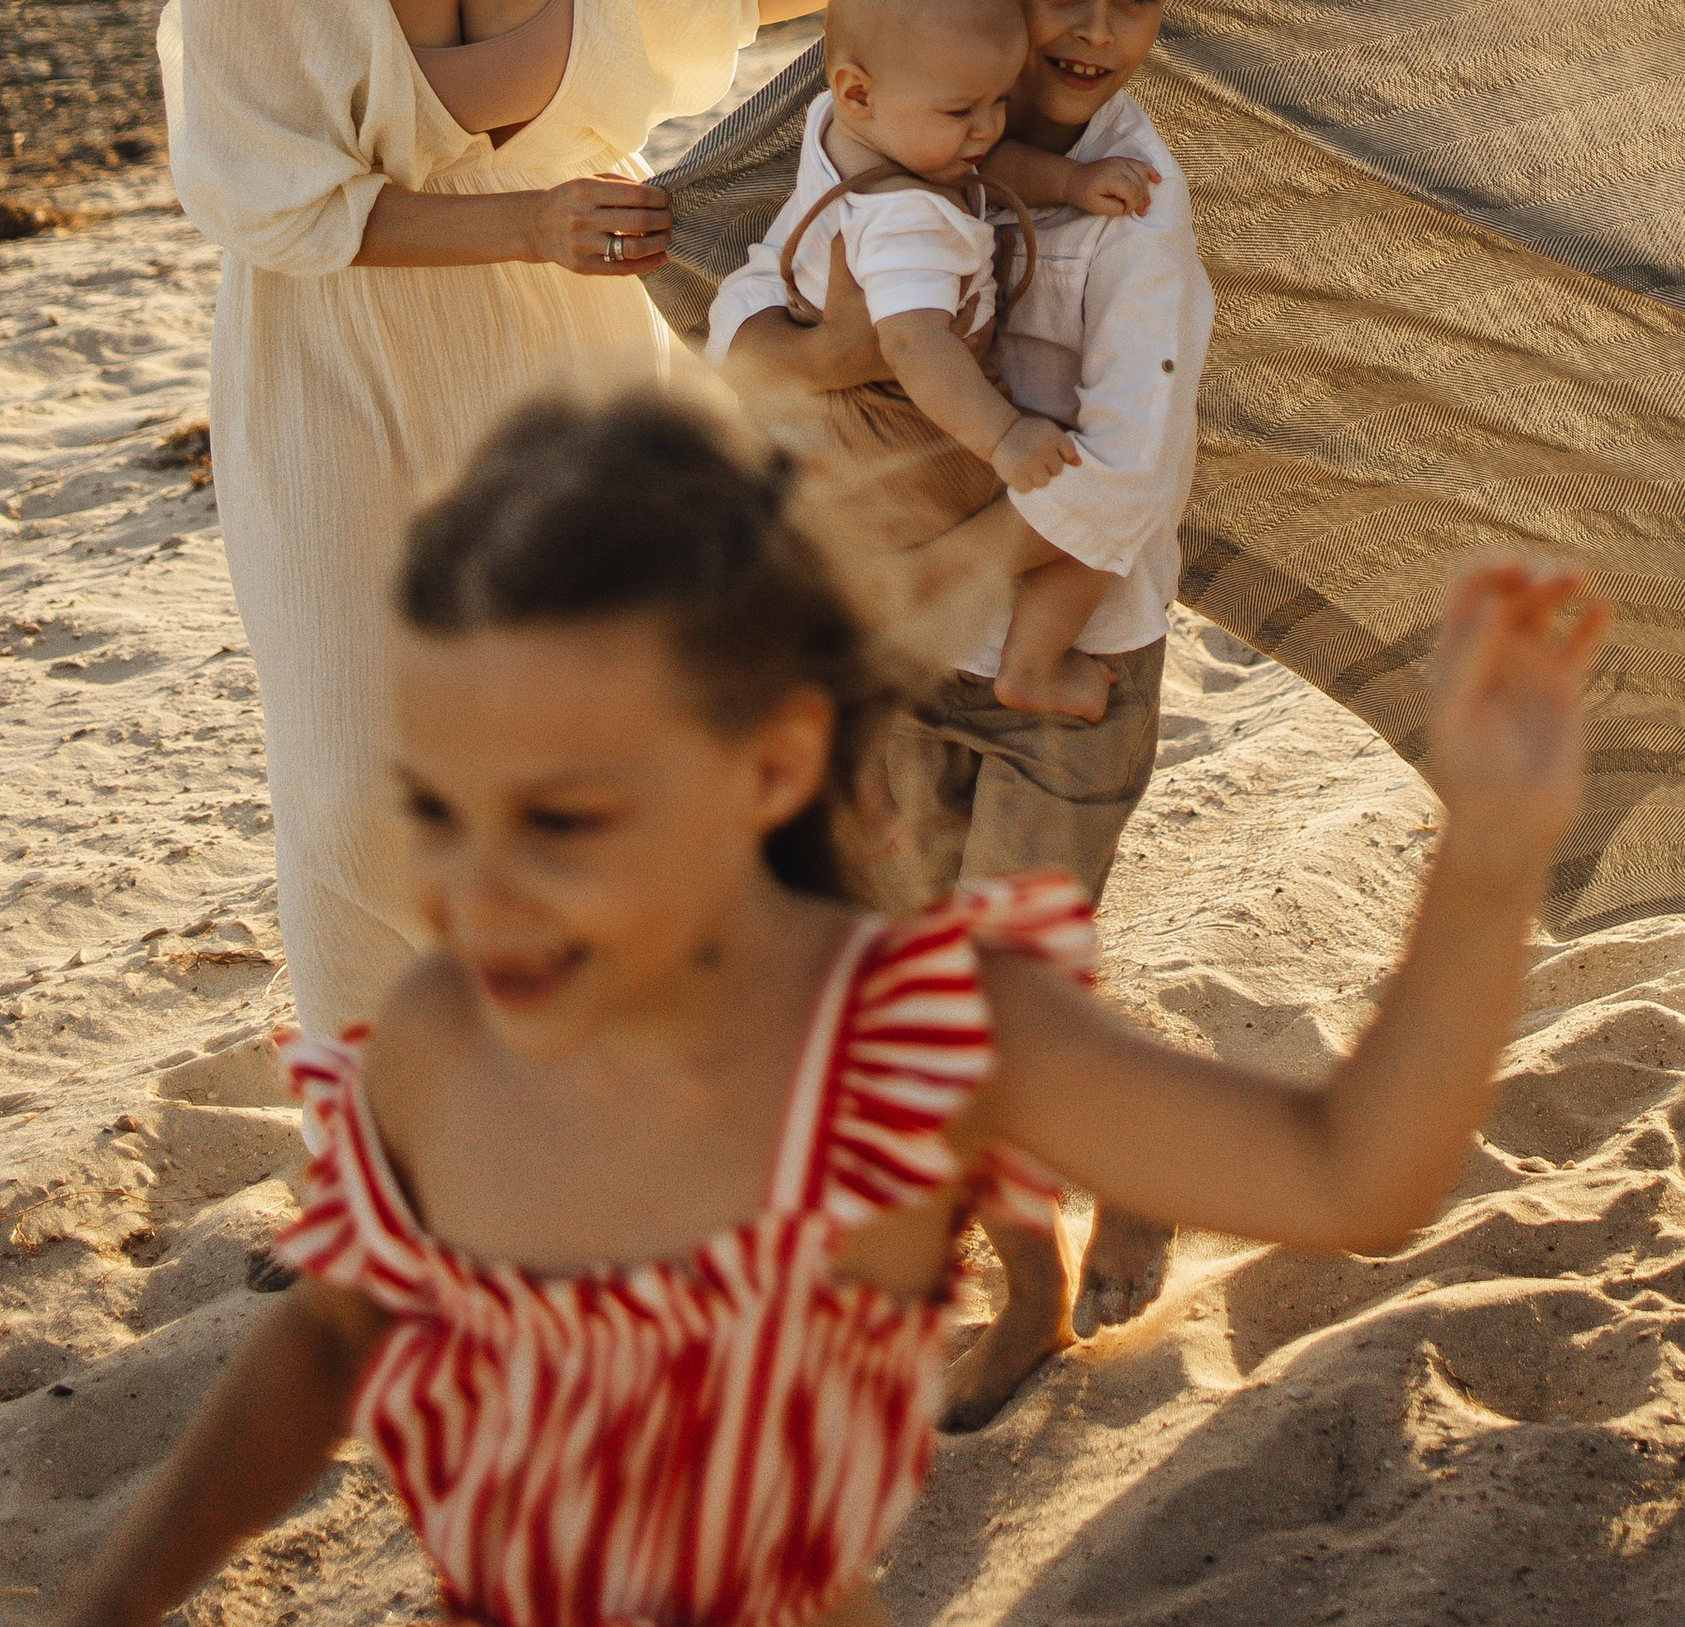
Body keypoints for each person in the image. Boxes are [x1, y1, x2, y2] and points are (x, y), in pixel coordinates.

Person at [59, 395, 1605, 1627]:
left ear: (773, 766)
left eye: (567, 821)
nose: (482, 895)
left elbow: (1352, 1176)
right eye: (439, 812)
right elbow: (335, 1336)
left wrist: (1485, 856)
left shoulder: (910, 1042)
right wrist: (120, 1591)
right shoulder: (439, 1043)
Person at [159, 0, 878, 1045]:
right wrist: (530, 223)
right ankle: (383, 1162)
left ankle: (582, 1111)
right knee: (360, 787)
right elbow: (271, 200)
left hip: (575, 354)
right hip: (335, 353)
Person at [721, 0, 1223, 1411]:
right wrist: (805, 356)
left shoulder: (1139, 213)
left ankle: (1030, 1294)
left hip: (1065, 657)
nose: (1089, 29)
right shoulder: (876, 136)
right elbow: (745, 284)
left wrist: (949, 560)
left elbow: (1130, 477)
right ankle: (1130, 1162)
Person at [706, 0, 1121, 723]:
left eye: (1001, 101)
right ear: (859, 89)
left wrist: (1066, 183)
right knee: (1097, 513)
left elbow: (983, 163)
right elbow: (912, 341)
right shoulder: (904, 219)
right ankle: (1031, 668)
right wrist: (1003, 437)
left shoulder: (847, 128)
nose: (990, 128)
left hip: (819, 434)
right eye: (965, 109)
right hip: (911, 431)